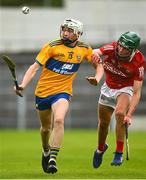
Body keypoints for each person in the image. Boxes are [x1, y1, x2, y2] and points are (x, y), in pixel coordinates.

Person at [14, 18, 98, 174]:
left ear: (78, 34)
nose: (65, 32)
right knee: (46, 129)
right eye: (64, 29)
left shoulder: (85, 49)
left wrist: (98, 77)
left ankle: (53, 158)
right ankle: (45, 150)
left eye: (69, 30)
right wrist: (23, 85)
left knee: (59, 119)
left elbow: (98, 63)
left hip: (63, 92)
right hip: (43, 93)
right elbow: (34, 68)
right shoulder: (51, 47)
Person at [86, 31, 145, 168]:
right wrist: (94, 58)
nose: (121, 49)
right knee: (103, 124)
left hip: (125, 89)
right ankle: (100, 148)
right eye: (120, 46)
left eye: (125, 48)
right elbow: (95, 52)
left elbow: (136, 93)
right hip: (108, 87)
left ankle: (119, 152)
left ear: (133, 50)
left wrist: (129, 115)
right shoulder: (112, 48)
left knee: (120, 114)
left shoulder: (139, 63)